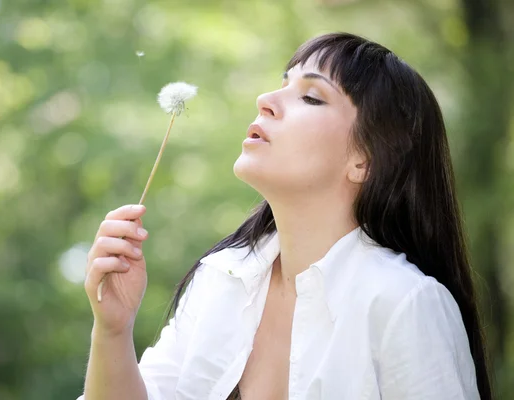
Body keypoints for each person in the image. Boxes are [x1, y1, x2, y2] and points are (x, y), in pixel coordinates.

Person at [76, 32, 493, 400]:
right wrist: (113, 330)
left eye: (311, 96)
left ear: (364, 160)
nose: (266, 101)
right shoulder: (221, 280)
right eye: (282, 83)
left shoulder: (403, 303)